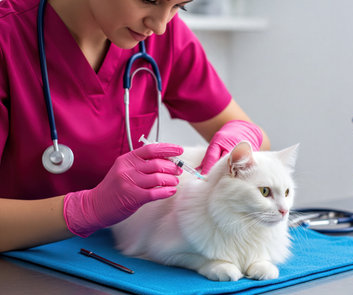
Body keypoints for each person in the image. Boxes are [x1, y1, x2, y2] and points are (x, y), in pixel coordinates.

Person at [0, 0, 270, 252]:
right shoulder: (7, 36)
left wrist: (243, 137)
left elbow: (259, 146)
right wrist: (86, 209)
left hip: (108, 258)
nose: (160, 26)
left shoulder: (166, 39)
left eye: (179, 6)